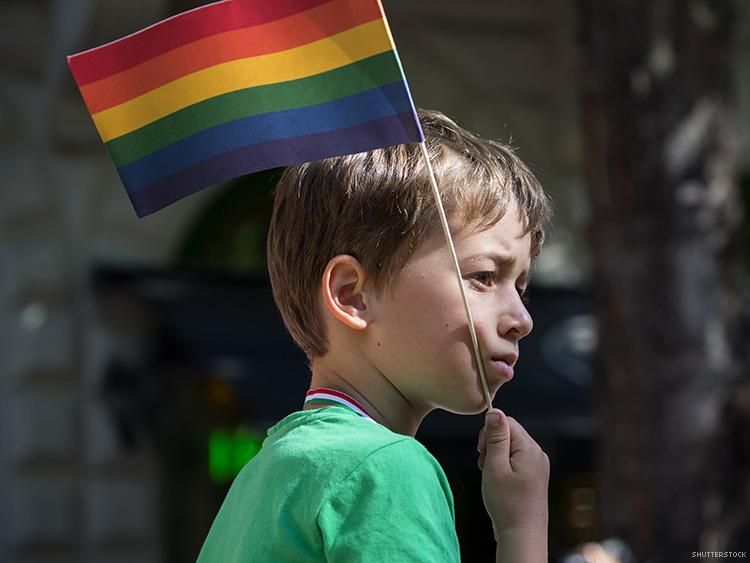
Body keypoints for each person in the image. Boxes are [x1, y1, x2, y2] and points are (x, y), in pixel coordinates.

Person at [197, 109, 552, 562]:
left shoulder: (264, 472)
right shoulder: (384, 470)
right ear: (353, 295)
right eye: (483, 276)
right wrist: (524, 530)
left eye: (521, 287)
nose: (522, 318)